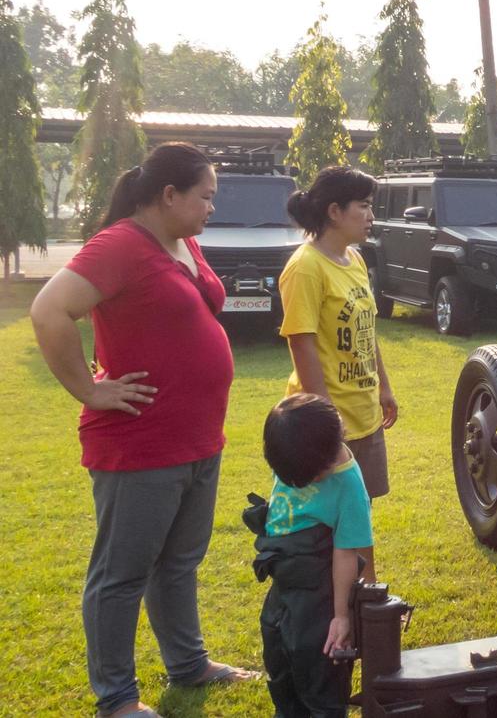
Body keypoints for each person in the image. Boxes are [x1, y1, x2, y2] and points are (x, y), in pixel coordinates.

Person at [29, 143, 257, 718]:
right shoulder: (120, 245)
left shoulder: (183, 242)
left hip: (199, 438)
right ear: (169, 194)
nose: (211, 207)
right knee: (121, 575)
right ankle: (117, 699)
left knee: (178, 563)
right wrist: (89, 388)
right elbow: (49, 310)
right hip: (140, 442)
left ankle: (188, 664)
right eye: (205, 197)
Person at [280, 166, 398, 582]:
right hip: (328, 422)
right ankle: (342, 607)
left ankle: (365, 604)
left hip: (364, 415)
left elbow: (367, 329)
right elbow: (301, 342)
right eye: (363, 207)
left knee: (359, 516)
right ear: (334, 211)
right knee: (328, 524)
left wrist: (383, 386)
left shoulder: (356, 259)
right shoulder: (305, 267)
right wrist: (324, 422)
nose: (371, 216)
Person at [246, 394, 373, 718]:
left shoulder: (348, 485)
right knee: (280, 662)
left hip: (319, 591)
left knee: (319, 672)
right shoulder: (297, 450)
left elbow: (346, 553)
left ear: (326, 460)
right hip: (284, 584)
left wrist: (340, 616)